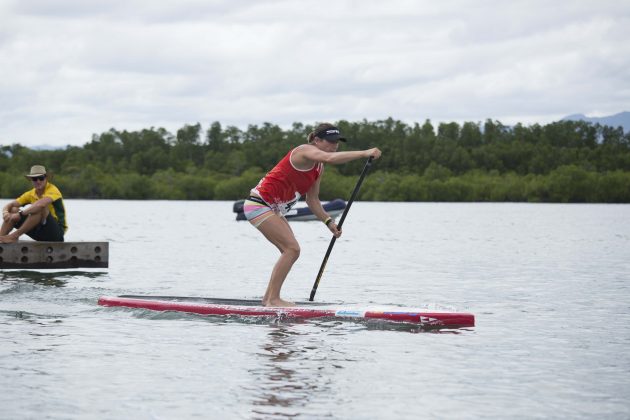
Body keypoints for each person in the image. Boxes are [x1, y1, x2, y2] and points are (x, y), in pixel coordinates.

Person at [243, 123, 381, 307]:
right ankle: (273, 300)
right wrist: (364, 153)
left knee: (289, 251)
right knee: (292, 250)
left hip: (271, 208)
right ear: (316, 140)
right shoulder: (303, 151)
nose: (335, 145)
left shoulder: (318, 168)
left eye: (337, 142)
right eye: (330, 141)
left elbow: (312, 200)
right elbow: (329, 157)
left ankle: (268, 299)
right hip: (258, 205)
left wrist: (329, 221)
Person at [0, 165, 67, 243]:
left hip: (56, 234)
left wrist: (20, 215)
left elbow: (40, 205)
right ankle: (1, 238)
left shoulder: (53, 189)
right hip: (39, 232)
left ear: (46, 179)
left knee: (40, 209)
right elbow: (11, 205)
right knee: (13, 209)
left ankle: (14, 236)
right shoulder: (30, 193)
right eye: (35, 179)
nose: (38, 181)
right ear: (31, 180)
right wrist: (5, 212)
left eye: (41, 178)